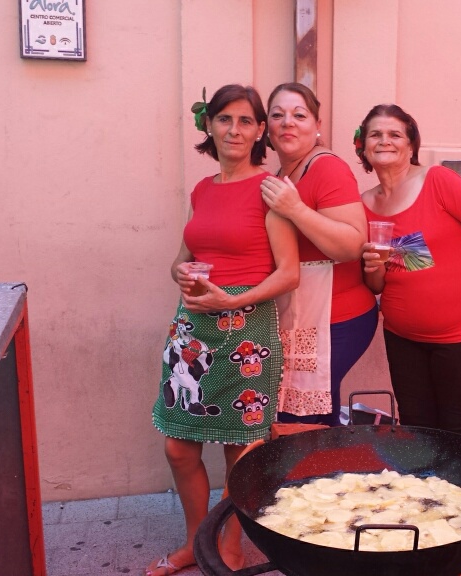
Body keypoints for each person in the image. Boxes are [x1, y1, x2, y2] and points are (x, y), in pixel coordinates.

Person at [148, 84, 299, 576]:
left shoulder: (270, 190)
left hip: (245, 331)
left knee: (242, 451)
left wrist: (231, 299)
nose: (234, 129)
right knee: (178, 446)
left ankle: (230, 546)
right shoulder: (202, 189)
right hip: (192, 330)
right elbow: (183, 256)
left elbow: (288, 273)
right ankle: (199, 541)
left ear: (259, 131)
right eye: (224, 119)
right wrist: (180, 273)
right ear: (209, 126)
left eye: (245, 121)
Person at [356, 104, 461, 439]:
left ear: (411, 146)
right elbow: (383, 280)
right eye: (375, 134)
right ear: (364, 147)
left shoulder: (437, 181)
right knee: (416, 432)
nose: (384, 140)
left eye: (394, 134)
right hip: (402, 338)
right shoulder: (363, 204)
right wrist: (373, 267)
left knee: (458, 432)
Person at [259, 82, 378, 426]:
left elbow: (352, 245)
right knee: (303, 414)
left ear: (317, 125)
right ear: (267, 128)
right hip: (300, 318)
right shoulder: (281, 174)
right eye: (278, 115)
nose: (288, 122)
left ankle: (323, 462)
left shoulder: (326, 168)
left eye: (299, 115)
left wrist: (295, 209)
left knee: (305, 415)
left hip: (338, 319)